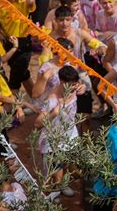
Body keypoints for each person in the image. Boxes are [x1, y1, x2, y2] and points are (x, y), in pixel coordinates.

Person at [35, 65, 87, 201]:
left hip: (70, 135)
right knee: (56, 173)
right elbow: (37, 123)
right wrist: (54, 113)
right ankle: (56, 190)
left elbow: (81, 85)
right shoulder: (51, 100)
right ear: (62, 83)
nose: (75, 87)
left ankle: (63, 184)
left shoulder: (74, 87)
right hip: (53, 140)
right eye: (72, 84)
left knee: (74, 166)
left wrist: (83, 87)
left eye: (76, 83)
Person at [0, 0, 35, 95]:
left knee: (14, 78)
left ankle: (15, 110)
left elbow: (31, 2)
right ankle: (35, 99)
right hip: (7, 42)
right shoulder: (0, 5)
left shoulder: (23, 4)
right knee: (22, 73)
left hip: (23, 43)